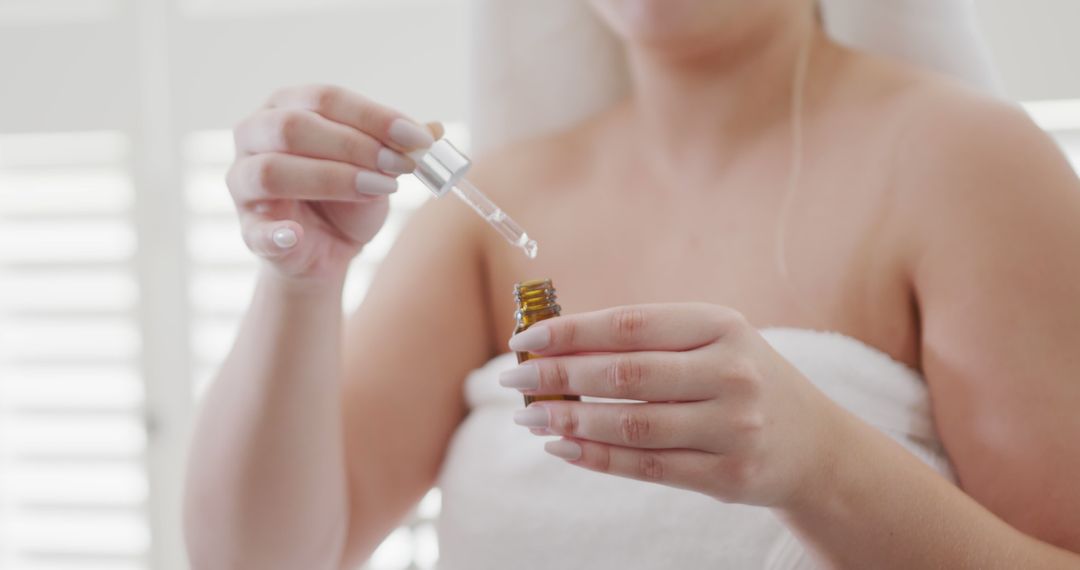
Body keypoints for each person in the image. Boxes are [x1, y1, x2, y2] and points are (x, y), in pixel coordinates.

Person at [184, 0, 1080, 568]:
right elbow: (258, 562)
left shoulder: (968, 164)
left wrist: (823, 468)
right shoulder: (490, 208)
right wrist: (300, 284)